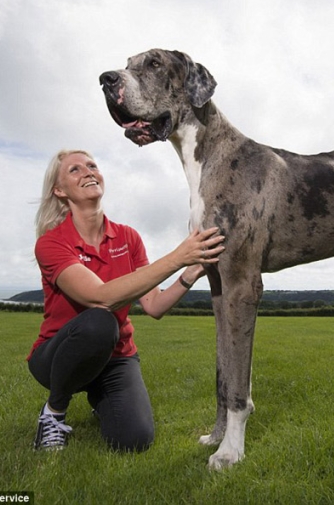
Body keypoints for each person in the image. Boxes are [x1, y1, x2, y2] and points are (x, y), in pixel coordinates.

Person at [27, 149, 225, 452]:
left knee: (133, 440)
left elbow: (154, 306)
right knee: (100, 321)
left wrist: (190, 271)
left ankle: (101, 399)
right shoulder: (51, 243)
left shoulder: (127, 238)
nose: (89, 172)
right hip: (57, 357)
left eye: (92, 166)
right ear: (59, 190)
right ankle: (54, 412)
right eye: (75, 170)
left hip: (116, 358)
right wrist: (179, 255)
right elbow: (99, 297)